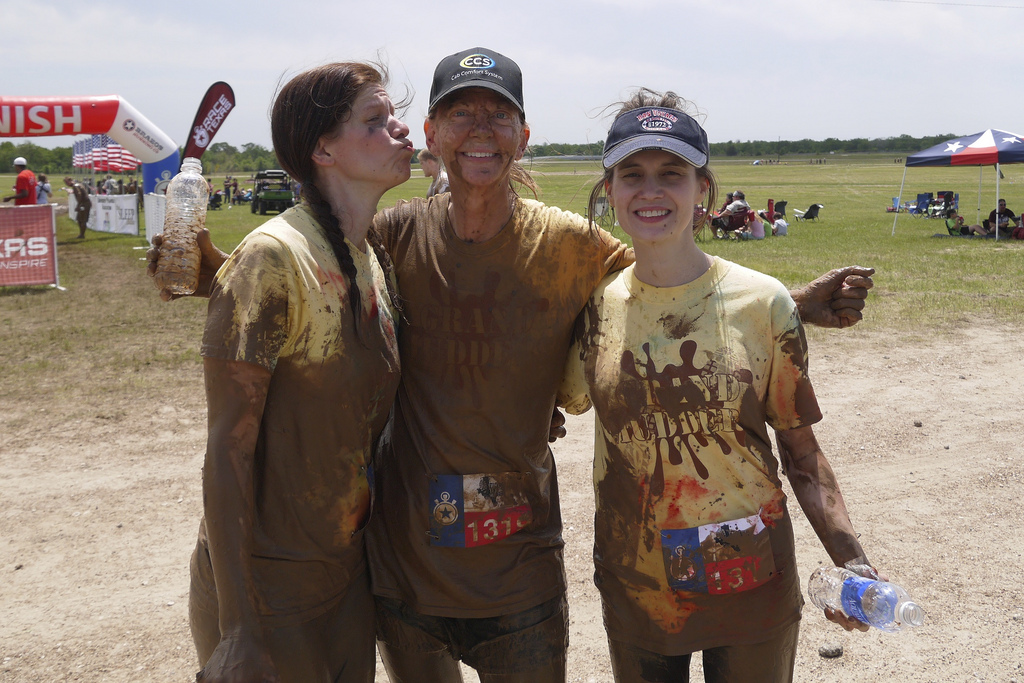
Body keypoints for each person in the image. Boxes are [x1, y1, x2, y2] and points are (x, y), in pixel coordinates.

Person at [151, 47, 874, 683]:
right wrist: (214, 262)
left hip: (518, 569)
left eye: (497, 114)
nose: (479, 130)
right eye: (457, 113)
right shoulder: (390, 238)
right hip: (403, 567)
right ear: (432, 136)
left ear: (523, 136)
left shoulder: (567, 245)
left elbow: (672, 280)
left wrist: (795, 301)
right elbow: (295, 280)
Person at [561, 90, 879, 683]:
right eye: (632, 174)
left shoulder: (763, 303)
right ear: (609, 190)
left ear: (703, 189)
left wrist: (853, 563)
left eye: (671, 174)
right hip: (640, 580)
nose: (651, 190)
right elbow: (553, 403)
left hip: (750, 575)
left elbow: (803, 456)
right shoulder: (593, 309)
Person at [181, 61, 412, 683]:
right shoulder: (270, 257)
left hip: (343, 576)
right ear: (322, 149)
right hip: (266, 588)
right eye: (376, 119)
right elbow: (226, 451)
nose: (401, 129)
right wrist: (240, 627)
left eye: (393, 115)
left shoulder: (371, 259)